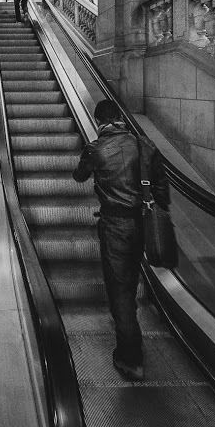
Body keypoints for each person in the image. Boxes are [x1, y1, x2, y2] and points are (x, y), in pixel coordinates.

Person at [72, 99, 169, 382]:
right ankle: (132, 346)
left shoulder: (96, 148)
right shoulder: (144, 144)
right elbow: (162, 189)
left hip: (115, 225)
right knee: (129, 282)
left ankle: (130, 358)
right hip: (144, 223)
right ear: (121, 118)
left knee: (121, 291)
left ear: (100, 122)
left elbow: (79, 176)